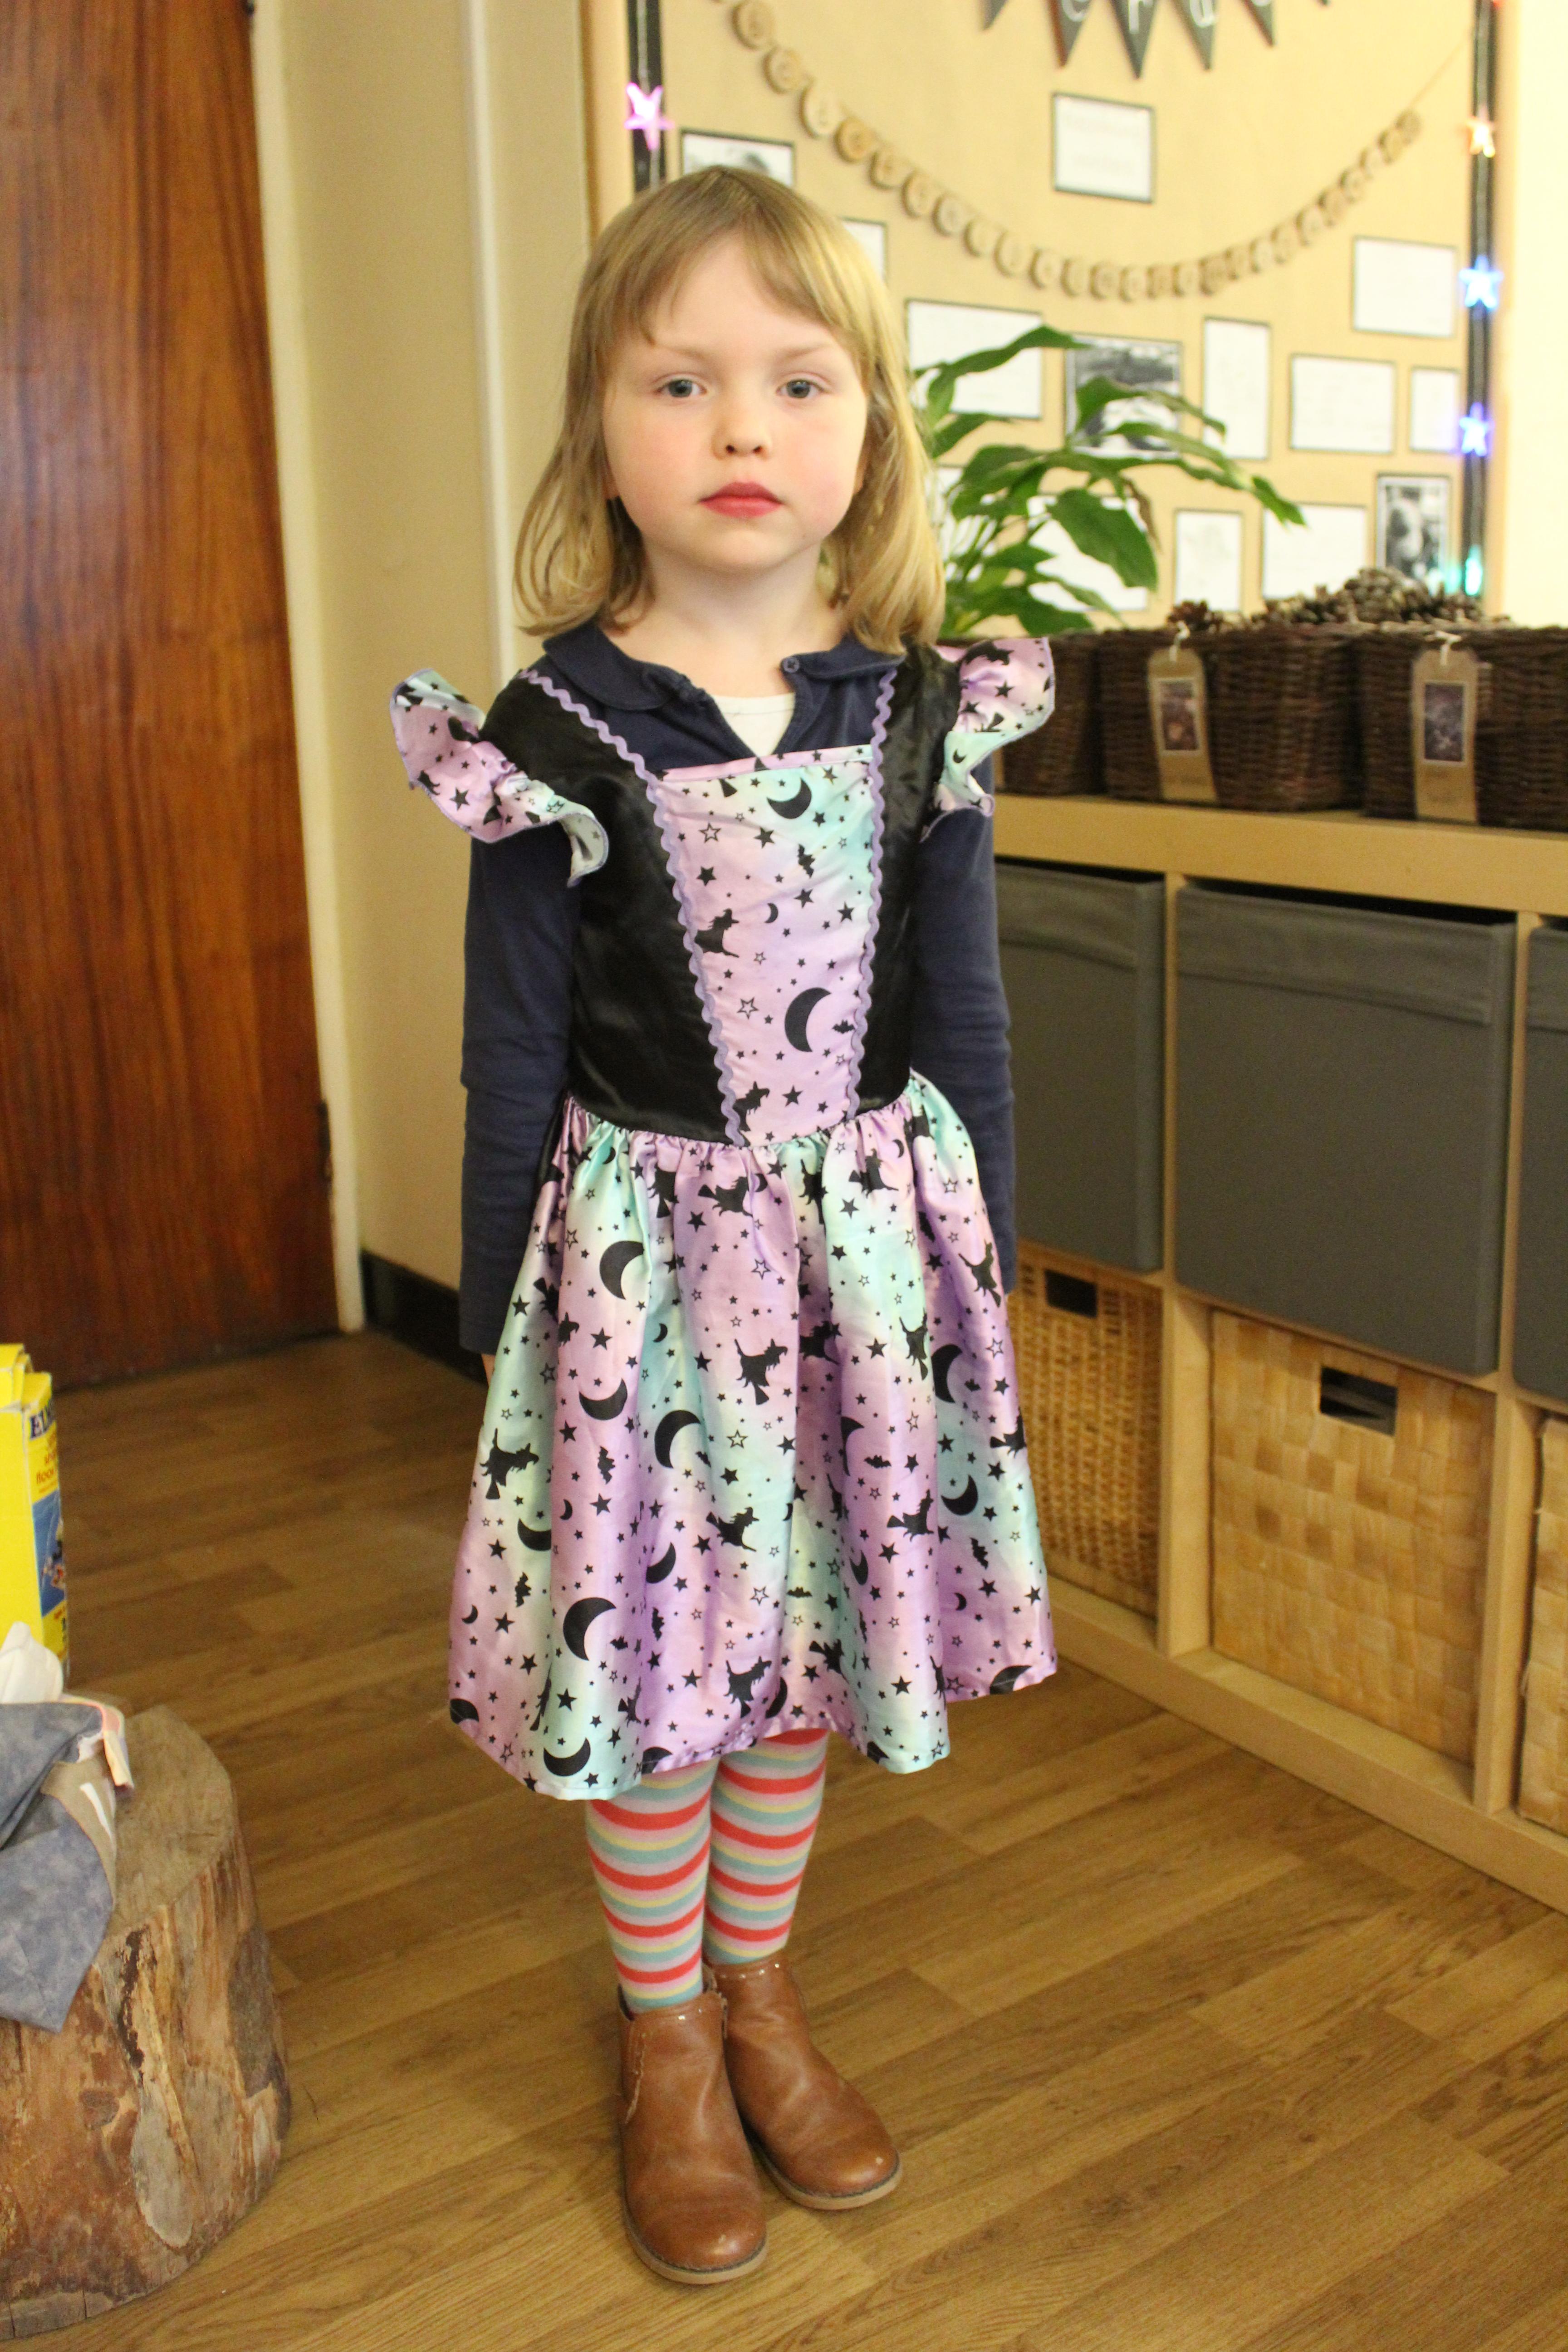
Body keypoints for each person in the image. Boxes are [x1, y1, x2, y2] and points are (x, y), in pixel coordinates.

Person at [389, 166, 1056, 2288]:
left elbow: (963, 1015)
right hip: (642, 1297)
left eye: (796, 380)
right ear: (604, 435)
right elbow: (514, 1053)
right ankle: (664, 2033)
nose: (742, 427)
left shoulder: (925, 715)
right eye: (680, 383)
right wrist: (498, 1324)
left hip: (862, 1279)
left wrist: (982, 1281)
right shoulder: (557, 735)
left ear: (869, 429)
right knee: (664, 1661)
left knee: (793, 1667)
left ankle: (761, 1992)